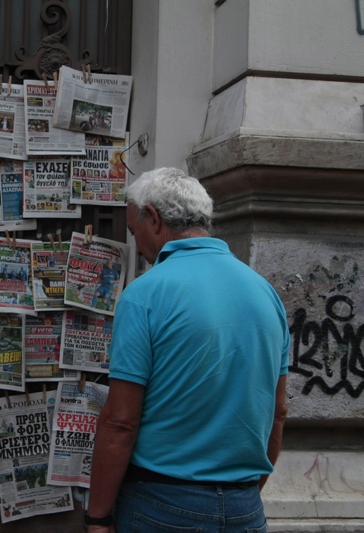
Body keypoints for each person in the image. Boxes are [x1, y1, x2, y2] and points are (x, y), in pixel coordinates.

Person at [85, 168, 289, 532]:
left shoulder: (145, 295)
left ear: (154, 218)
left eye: (135, 233)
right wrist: (240, 495)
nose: (140, 248)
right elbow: (278, 412)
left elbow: (120, 422)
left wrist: (97, 517)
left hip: (162, 505)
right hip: (245, 506)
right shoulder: (265, 293)